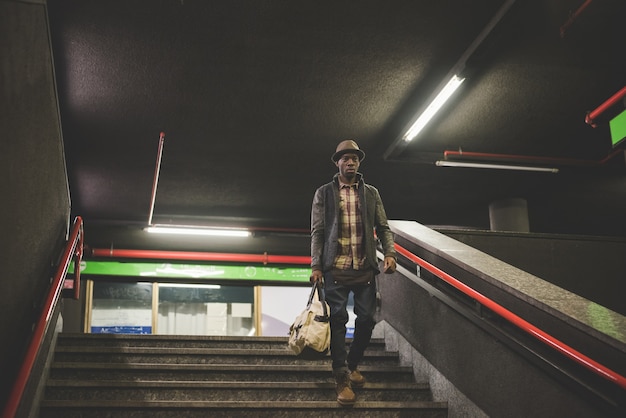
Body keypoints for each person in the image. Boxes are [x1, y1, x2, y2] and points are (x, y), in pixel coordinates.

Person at [310, 139, 397, 406]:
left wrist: (390, 253)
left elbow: (382, 226)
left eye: (355, 159)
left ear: (359, 163)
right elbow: (318, 230)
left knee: (368, 319)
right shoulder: (324, 193)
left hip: (364, 267)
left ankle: (352, 363)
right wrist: (315, 265)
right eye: (345, 158)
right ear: (337, 162)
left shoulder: (371, 193)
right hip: (335, 267)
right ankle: (341, 377)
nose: (350, 162)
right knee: (337, 320)